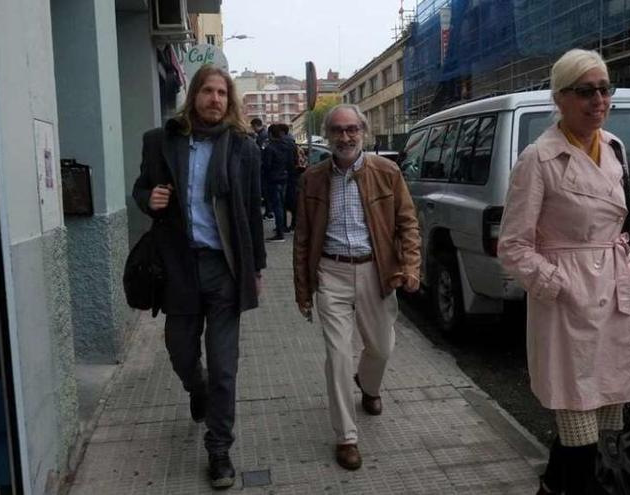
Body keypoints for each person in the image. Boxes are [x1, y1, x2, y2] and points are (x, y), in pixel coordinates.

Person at [496, 49, 630, 495]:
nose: (598, 100)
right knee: (580, 436)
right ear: (560, 98)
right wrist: (559, 284)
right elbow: (513, 246)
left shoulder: (614, 148)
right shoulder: (538, 160)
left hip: (614, 297)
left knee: (597, 429)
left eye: (604, 89)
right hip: (569, 309)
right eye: (585, 91)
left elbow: (620, 220)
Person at [132, 65, 266, 489]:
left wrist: (256, 269)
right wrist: (147, 199)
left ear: (230, 101)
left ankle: (219, 448)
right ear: (193, 96)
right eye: (208, 91)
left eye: (222, 93)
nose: (215, 100)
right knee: (181, 353)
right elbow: (141, 188)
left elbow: (251, 213)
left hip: (224, 268)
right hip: (178, 267)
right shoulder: (160, 142)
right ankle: (197, 387)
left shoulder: (244, 148)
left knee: (226, 367)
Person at [293, 104, 421, 470]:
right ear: (328, 136)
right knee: (337, 355)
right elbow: (302, 237)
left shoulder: (387, 172)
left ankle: (368, 385)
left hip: (375, 271)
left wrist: (410, 266)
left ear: (363, 132)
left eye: (352, 129)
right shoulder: (313, 179)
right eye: (337, 130)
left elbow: (407, 224)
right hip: (330, 273)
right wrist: (303, 289)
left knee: (381, 347)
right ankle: (346, 437)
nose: (345, 137)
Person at [261, 123, 296, 242]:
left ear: (271, 134)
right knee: (282, 204)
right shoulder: (287, 146)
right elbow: (292, 162)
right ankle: (283, 228)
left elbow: (266, 165)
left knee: (277, 206)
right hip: (285, 178)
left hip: (273, 179)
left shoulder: (270, 148)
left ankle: (280, 232)